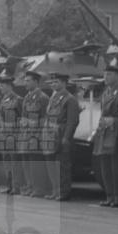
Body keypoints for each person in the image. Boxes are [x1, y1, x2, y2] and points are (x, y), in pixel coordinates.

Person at [93, 64, 118, 208]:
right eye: (105, 74)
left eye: (109, 74)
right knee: (106, 167)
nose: (105, 77)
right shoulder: (106, 92)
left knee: (117, 168)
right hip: (105, 133)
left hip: (116, 132)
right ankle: (109, 196)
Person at [42, 73, 80, 201]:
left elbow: (72, 121)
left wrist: (66, 137)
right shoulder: (53, 98)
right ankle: (55, 190)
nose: (53, 84)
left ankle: (63, 192)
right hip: (50, 136)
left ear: (64, 83)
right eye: (52, 82)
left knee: (62, 166)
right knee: (51, 165)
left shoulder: (70, 99)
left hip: (61, 135)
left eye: (56, 82)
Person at [18, 71, 50, 197]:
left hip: (37, 135)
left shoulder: (43, 98)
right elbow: (23, 114)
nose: (25, 83)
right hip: (26, 135)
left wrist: (33, 123)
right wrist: (23, 121)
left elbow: (47, 118)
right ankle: (30, 186)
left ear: (36, 82)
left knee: (36, 163)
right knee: (26, 162)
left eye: (28, 80)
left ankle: (39, 188)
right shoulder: (27, 97)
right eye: (25, 80)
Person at [0, 74, 25, 195]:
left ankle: (16, 186)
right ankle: (9, 186)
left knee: (15, 162)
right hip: (5, 135)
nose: (1, 88)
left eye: (3, 86)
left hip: (14, 135)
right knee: (6, 161)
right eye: (0, 86)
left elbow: (22, 118)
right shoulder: (3, 100)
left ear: (9, 86)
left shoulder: (18, 100)